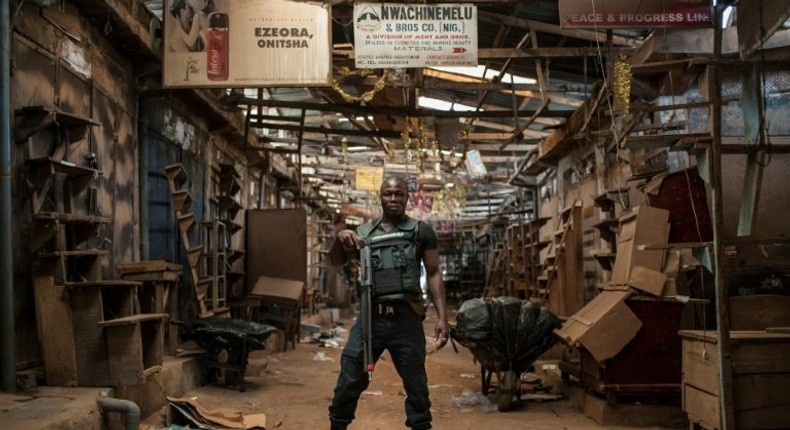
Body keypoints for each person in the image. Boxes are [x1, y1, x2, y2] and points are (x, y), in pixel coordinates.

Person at [328, 176, 449, 430]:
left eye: (399, 194)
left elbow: (435, 273)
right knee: (350, 377)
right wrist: (340, 237)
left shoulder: (420, 231)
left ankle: (420, 425)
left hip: (406, 319)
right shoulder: (362, 234)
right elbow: (336, 261)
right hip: (372, 319)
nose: (393, 199)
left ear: (408, 197)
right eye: (388, 194)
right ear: (380, 197)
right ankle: (338, 425)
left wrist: (442, 317)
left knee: (416, 385)